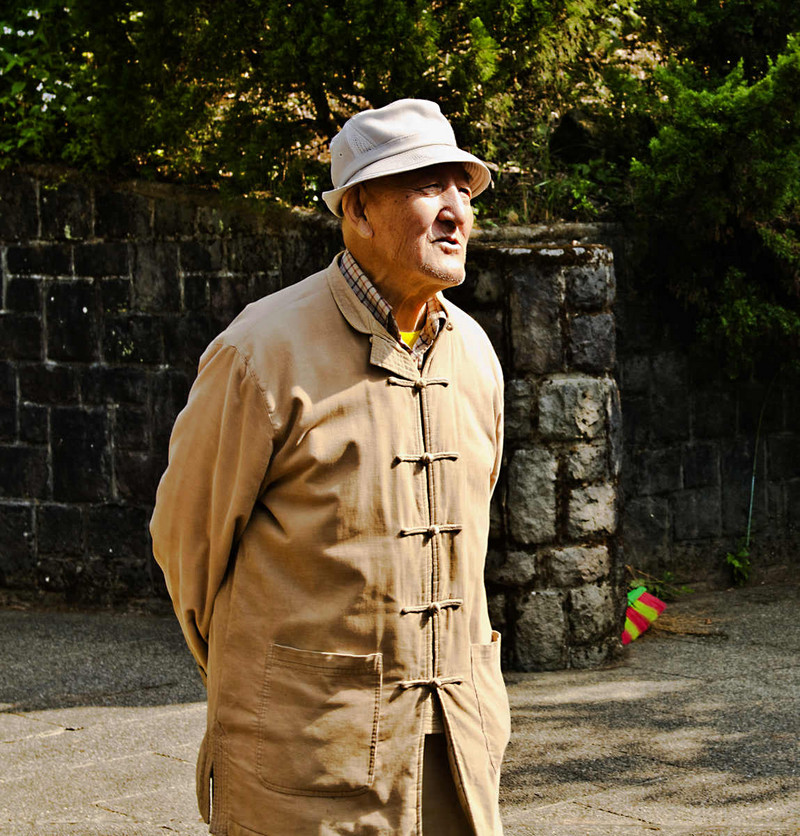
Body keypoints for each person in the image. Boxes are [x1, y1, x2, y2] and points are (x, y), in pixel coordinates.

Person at [150, 98, 510, 836]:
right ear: (358, 209)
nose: (456, 211)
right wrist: (272, 683)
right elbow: (188, 546)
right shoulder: (262, 352)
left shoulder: (474, 353)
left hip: (457, 750)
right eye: (427, 186)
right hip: (308, 762)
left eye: (463, 189)